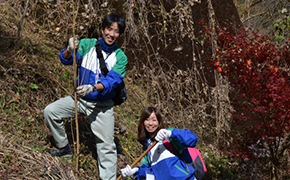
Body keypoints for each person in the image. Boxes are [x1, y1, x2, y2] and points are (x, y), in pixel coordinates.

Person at [43, 13, 127, 180]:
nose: (111, 34)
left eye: (116, 31)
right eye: (109, 29)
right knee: (50, 111)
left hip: (102, 105)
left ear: (120, 35)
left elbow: (112, 81)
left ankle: (108, 178)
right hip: (80, 99)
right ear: (103, 29)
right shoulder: (87, 44)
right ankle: (64, 148)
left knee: (106, 146)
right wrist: (68, 50)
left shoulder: (120, 57)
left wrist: (92, 88)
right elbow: (66, 60)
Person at [120, 107, 198, 180]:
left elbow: (192, 139)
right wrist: (135, 171)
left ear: (159, 122)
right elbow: (150, 174)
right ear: (143, 122)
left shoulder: (168, 134)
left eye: (154, 120)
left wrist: (170, 133)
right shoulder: (146, 147)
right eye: (147, 120)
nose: (150, 123)